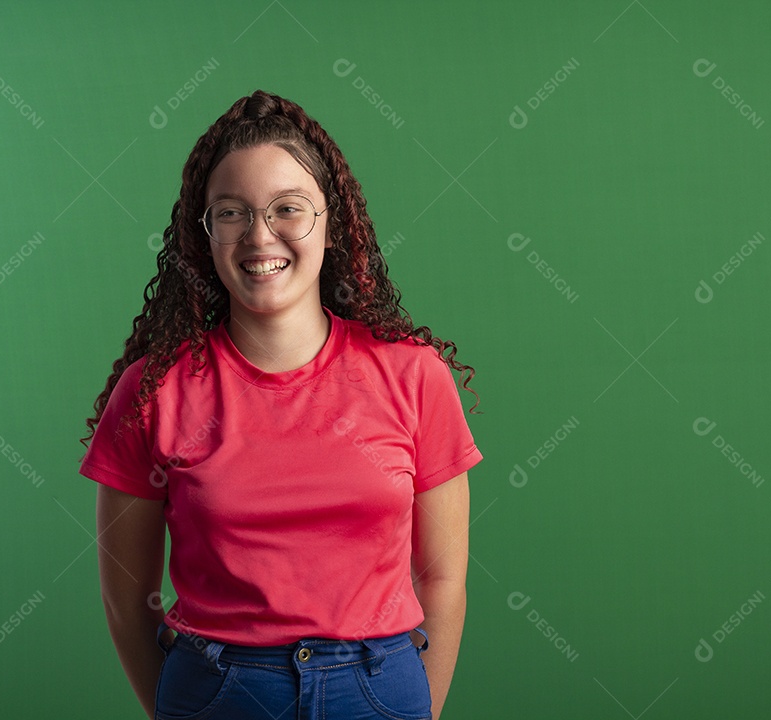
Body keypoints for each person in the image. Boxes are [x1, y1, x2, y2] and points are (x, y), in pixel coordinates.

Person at [79, 89, 483, 720]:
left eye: (288, 208)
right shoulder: (153, 391)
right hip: (216, 693)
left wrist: (416, 709)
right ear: (204, 234)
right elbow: (127, 602)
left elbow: (443, 579)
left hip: (380, 692)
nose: (259, 236)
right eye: (231, 213)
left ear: (331, 222)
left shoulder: (415, 376)